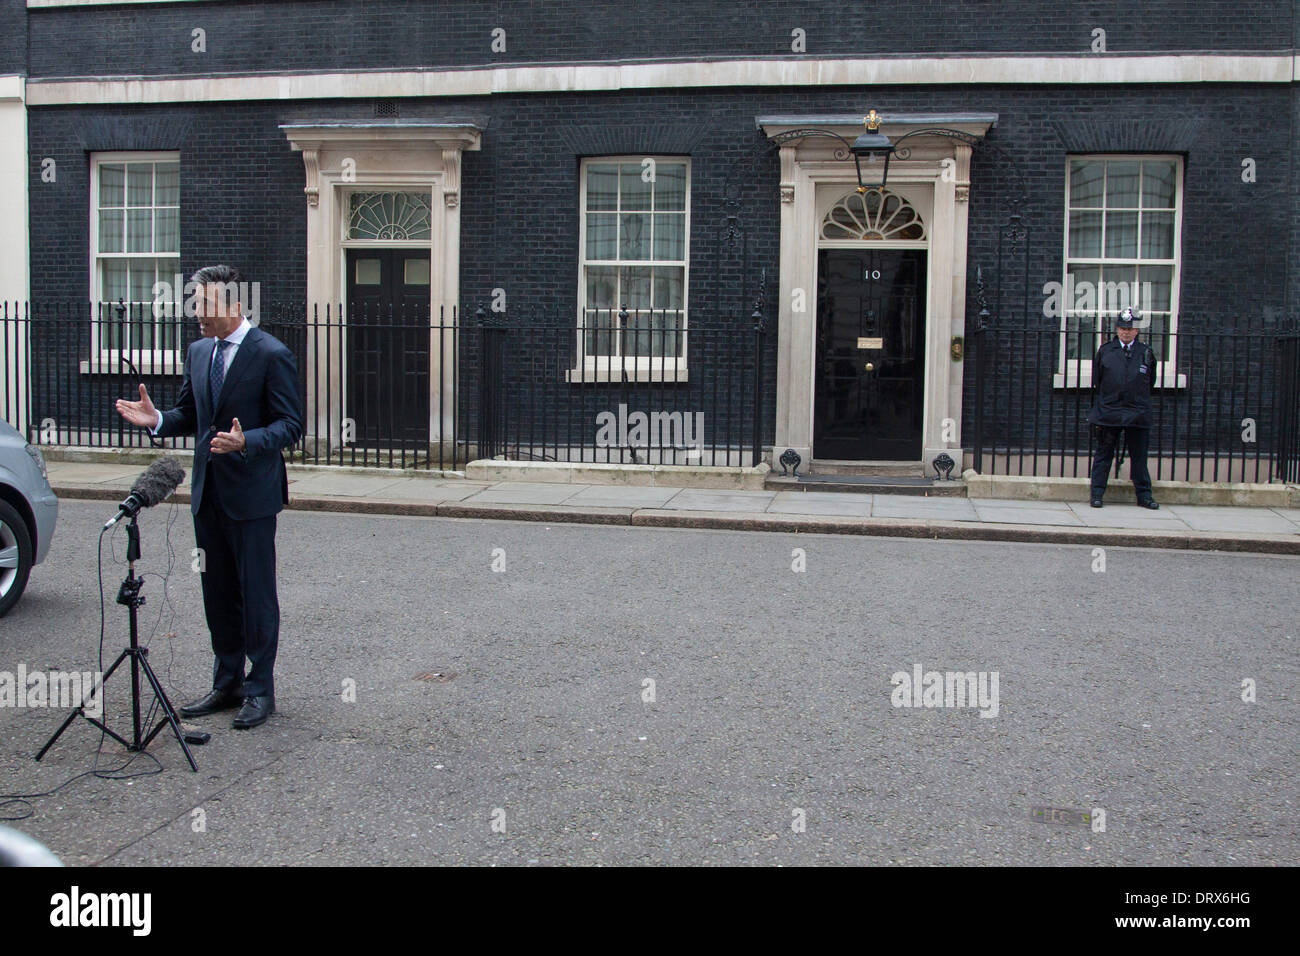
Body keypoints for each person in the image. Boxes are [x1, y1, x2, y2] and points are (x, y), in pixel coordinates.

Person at [115, 266, 302, 729]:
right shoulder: (199, 352)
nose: (196, 314)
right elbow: (191, 414)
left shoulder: (270, 354)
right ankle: (228, 683)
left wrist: (248, 441)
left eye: (204, 306)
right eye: (193, 304)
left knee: (255, 595)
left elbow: (291, 425)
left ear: (236, 306)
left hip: (252, 497)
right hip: (208, 495)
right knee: (216, 592)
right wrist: (158, 419)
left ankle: (261, 690)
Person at [1087, 307, 1159, 510]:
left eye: (1130, 328)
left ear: (1137, 331)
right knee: (1104, 454)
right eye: (1122, 328)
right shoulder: (1106, 351)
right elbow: (1098, 381)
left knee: (1139, 457)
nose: (1125, 332)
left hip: (1137, 413)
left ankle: (1144, 496)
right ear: (1117, 329)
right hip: (1110, 411)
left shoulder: (1145, 352)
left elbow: (1150, 382)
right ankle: (1097, 494)